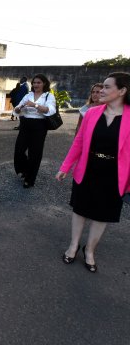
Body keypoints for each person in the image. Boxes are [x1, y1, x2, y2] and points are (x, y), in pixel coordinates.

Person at [56, 72, 130, 273]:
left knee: (102, 215)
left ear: (122, 91)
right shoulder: (92, 113)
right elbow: (78, 143)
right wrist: (65, 167)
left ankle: (90, 250)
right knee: (80, 210)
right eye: (102, 87)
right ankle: (73, 246)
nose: (101, 91)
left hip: (115, 174)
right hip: (88, 169)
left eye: (107, 87)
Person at [13, 73, 56, 188]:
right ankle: (26, 169)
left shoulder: (48, 96)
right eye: (34, 82)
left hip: (39, 126)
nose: (36, 84)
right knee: (19, 150)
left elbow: (50, 110)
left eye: (39, 82)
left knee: (35, 154)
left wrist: (35, 105)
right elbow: (16, 111)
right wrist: (19, 108)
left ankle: (30, 179)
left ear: (44, 84)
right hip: (25, 124)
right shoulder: (28, 95)